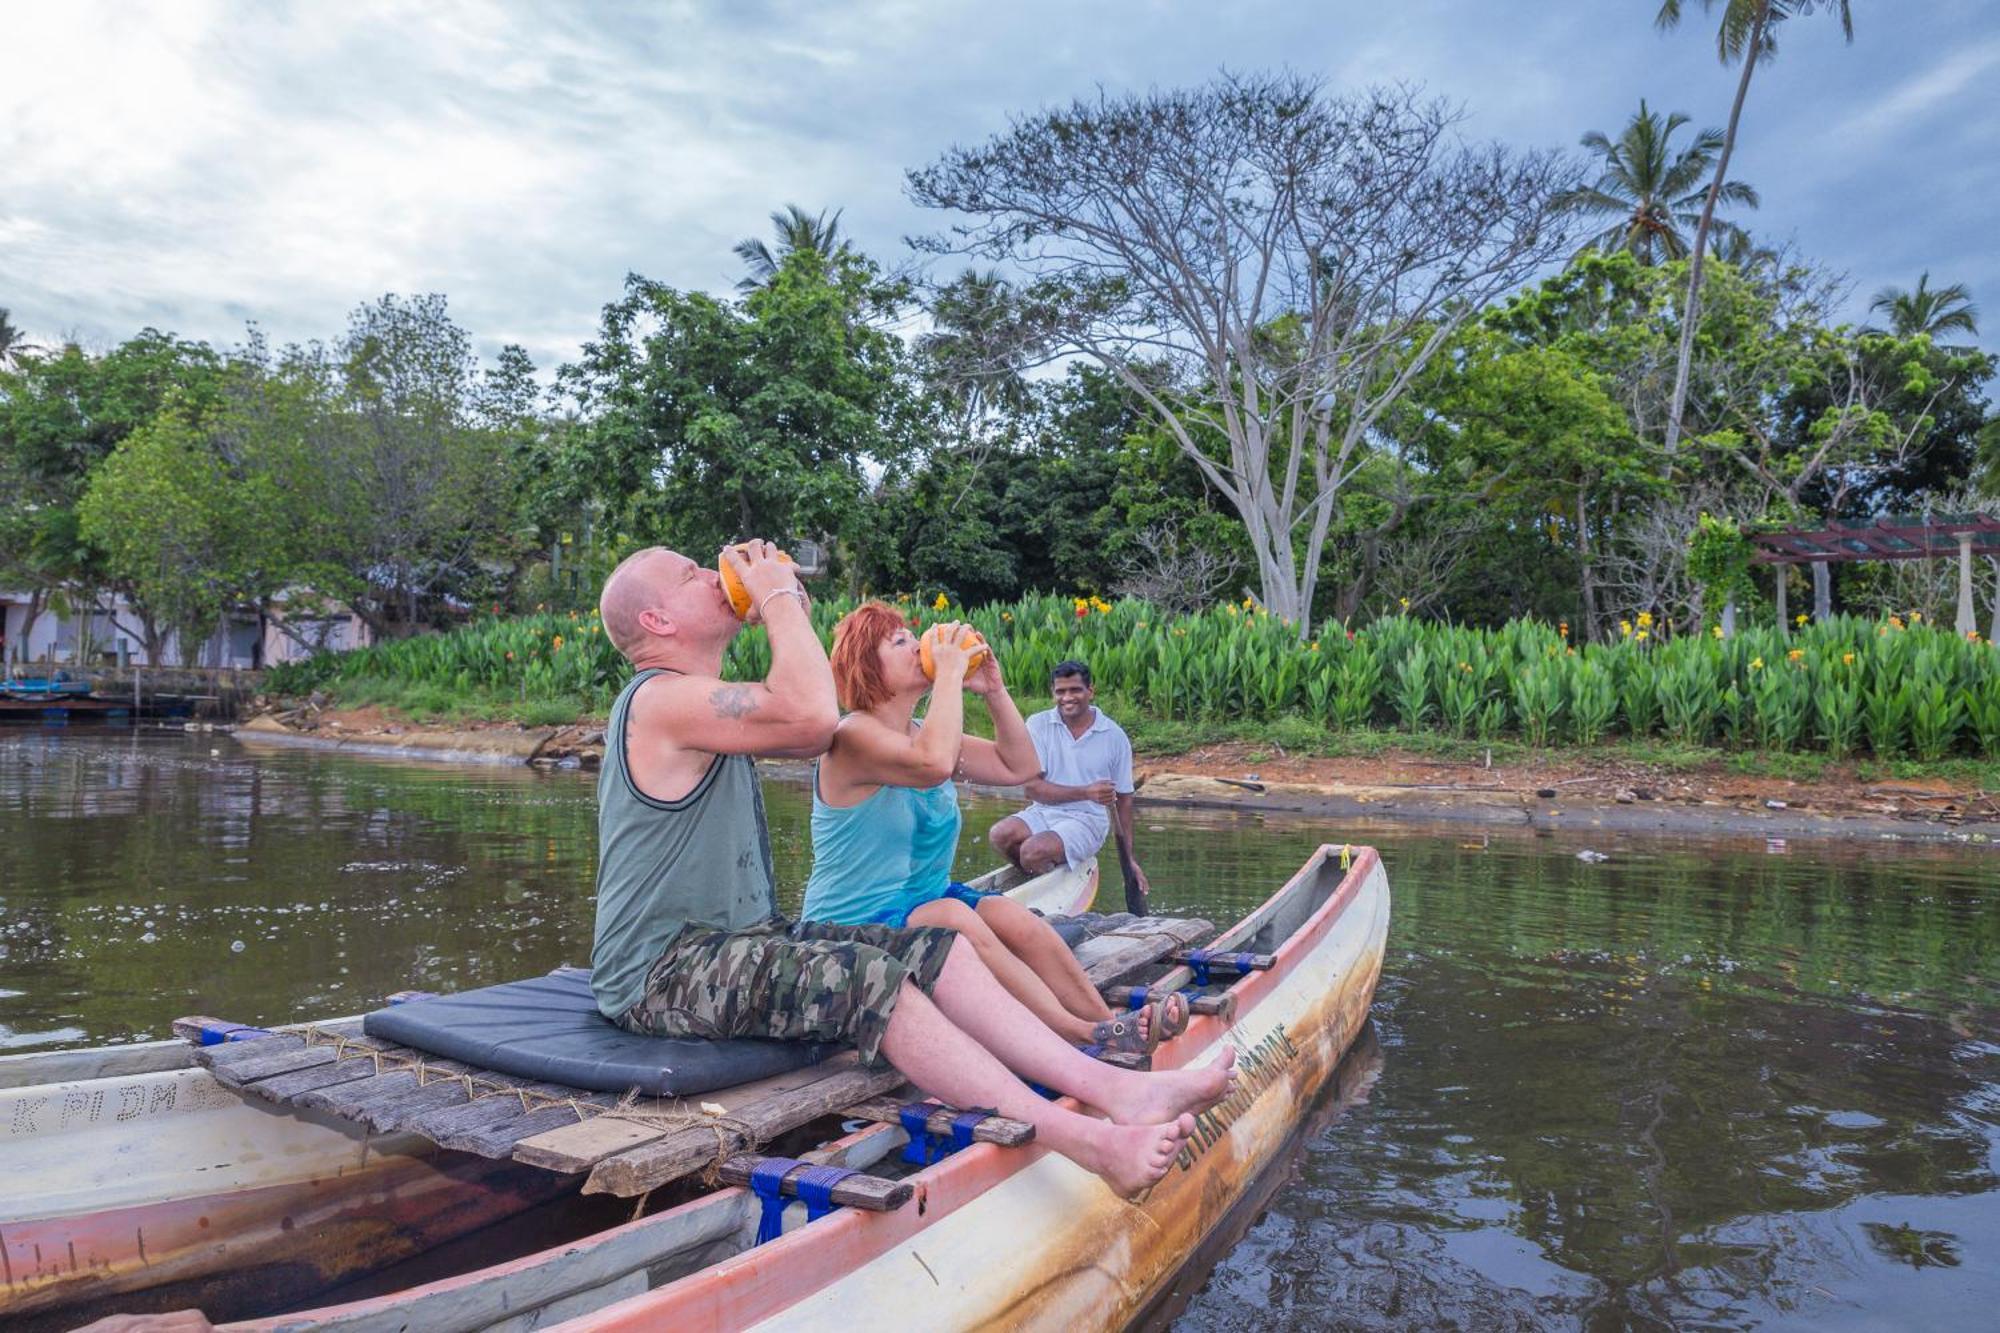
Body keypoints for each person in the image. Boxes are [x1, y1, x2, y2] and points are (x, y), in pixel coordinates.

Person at [590, 544, 1233, 1196]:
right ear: (657, 622)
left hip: (737, 942)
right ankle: (1089, 1142)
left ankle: (1122, 1089)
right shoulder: (658, 700)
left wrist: (787, 602)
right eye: (689, 574)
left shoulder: (704, 700)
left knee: (940, 947)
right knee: (870, 977)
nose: (710, 573)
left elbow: (806, 689)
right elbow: (811, 715)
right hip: (662, 972)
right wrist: (778, 594)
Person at [801, 603, 1185, 1054]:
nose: (917, 644)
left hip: (921, 902)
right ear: (868, 666)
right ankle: (1076, 1034)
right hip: (847, 925)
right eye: (899, 641)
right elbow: (934, 764)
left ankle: (1112, 1024)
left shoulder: (927, 733)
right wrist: (947, 676)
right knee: (958, 916)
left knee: (1010, 916)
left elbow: (1019, 765)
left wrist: (994, 691)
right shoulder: (853, 738)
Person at [989, 660, 1151, 914]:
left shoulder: (1113, 735)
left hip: (1088, 820)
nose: (1067, 698)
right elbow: (1032, 789)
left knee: (1032, 852)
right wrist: (1086, 792)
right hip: (1043, 811)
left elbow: (1124, 800)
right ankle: (1045, 875)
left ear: (1090, 691)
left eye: (1075, 690)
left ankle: (1045, 867)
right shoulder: (1038, 724)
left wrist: (1129, 859)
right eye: (1060, 691)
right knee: (1000, 834)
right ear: (1053, 693)